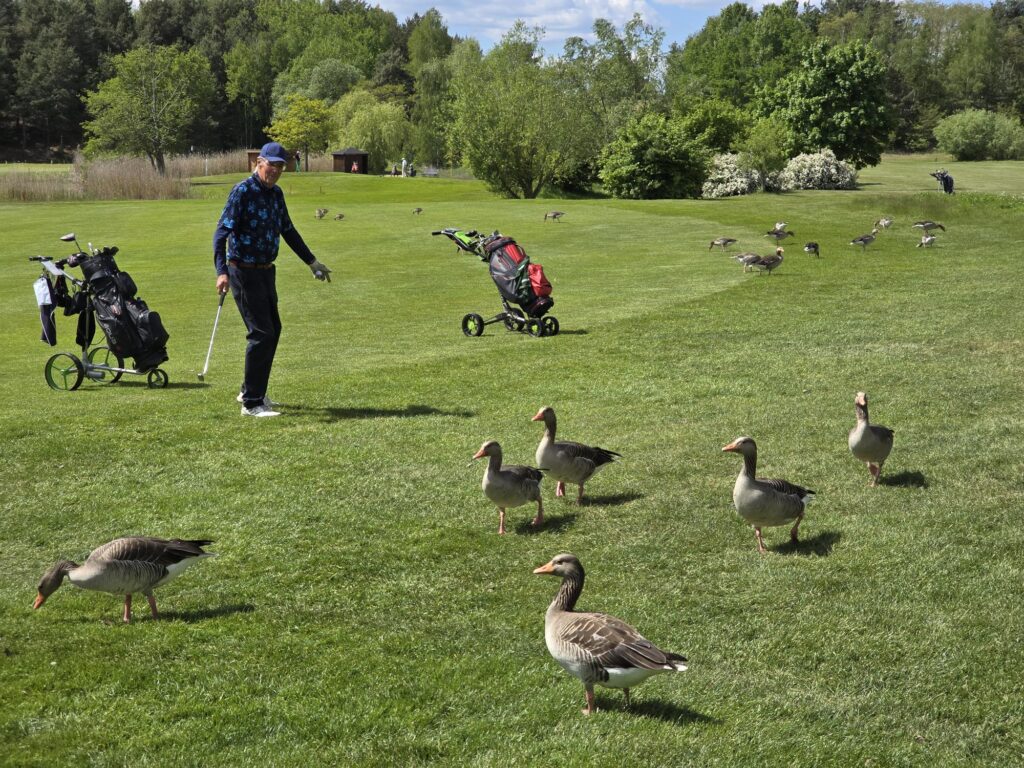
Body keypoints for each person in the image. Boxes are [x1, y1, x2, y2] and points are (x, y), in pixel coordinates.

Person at [213, 141, 332, 418]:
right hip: (242, 270)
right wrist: (221, 271)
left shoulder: (276, 194)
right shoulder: (242, 191)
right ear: (259, 163)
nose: (276, 171)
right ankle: (252, 404)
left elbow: (288, 231)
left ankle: (250, 390)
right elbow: (221, 234)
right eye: (272, 165)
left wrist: (311, 262)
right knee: (261, 333)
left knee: (272, 330)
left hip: (267, 271)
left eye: (281, 166)